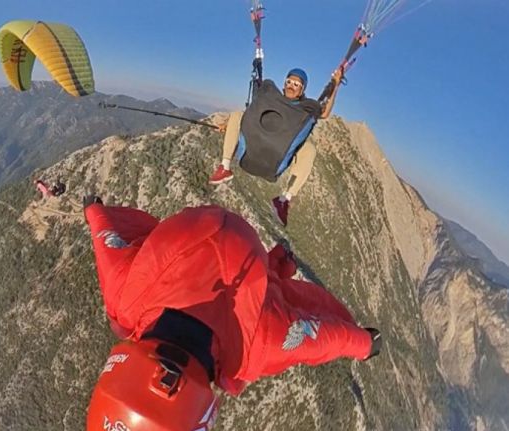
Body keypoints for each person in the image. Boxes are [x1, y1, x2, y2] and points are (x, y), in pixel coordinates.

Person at [83, 197, 382, 430]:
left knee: (260, 309)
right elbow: (106, 239)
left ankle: (274, 271)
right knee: (122, 320)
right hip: (196, 226)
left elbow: (323, 338)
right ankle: (271, 275)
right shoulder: (124, 297)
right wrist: (94, 209)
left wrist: (366, 344)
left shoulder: (253, 350)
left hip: (245, 250)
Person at [209, 68, 343, 226]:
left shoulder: (304, 110)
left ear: (302, 90)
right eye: (289, 82)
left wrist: (336, 85)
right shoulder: (271, 99)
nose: (291, 86)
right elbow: (251, 117)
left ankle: (285, 199)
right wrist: (231, 126)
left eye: (296, 84)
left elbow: (324, 113)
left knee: (309, 149)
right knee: (237, 115)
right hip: (249, 151)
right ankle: (224, 167)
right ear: (284, 84)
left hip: (274, 162)